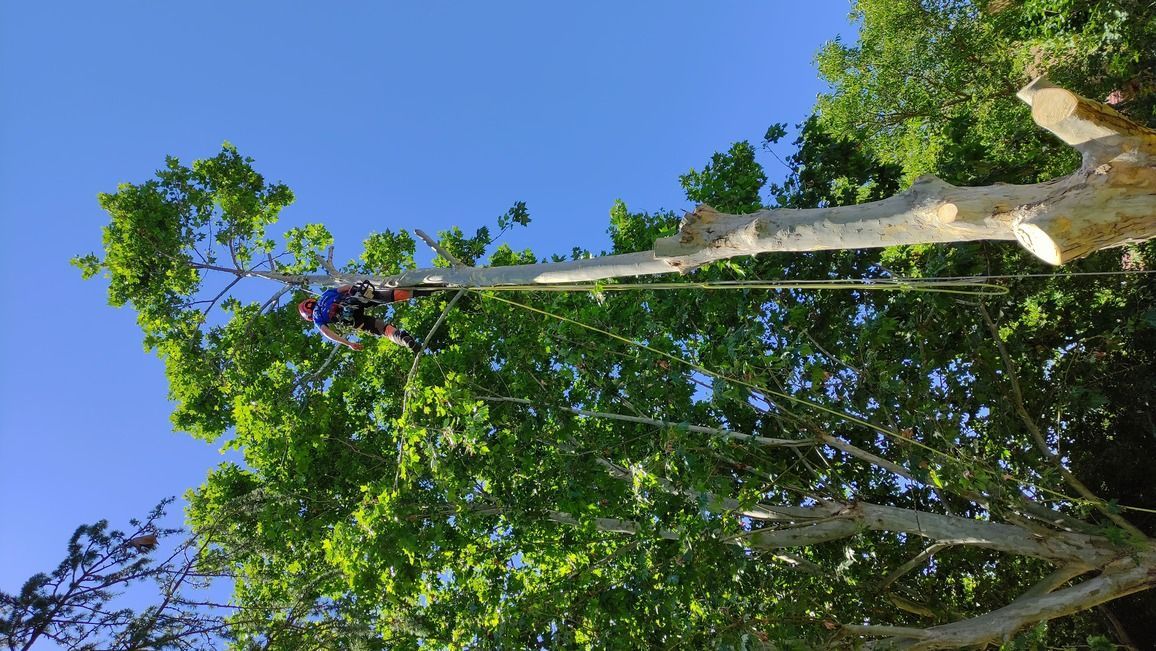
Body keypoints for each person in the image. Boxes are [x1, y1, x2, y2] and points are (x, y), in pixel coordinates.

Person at [297, 281, 439, 352]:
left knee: (379, 328)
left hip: (350, 318)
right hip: (353, 300)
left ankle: (403, 339)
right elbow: (346, 287)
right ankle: (428, 289)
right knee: (386, 296)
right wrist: (358, 289)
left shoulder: (316, 317)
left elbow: (328, 333)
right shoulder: (326, 295)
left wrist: (348, 343)